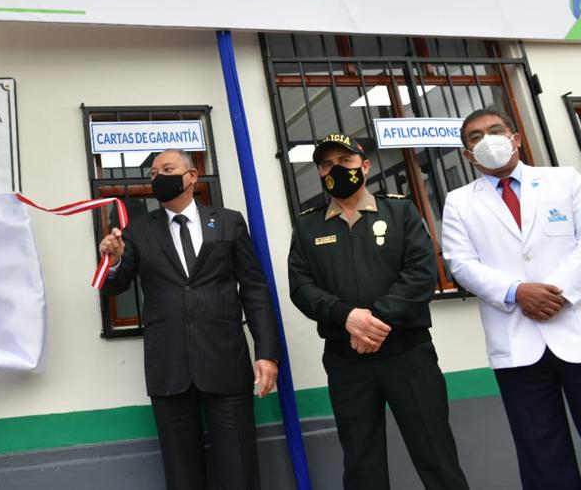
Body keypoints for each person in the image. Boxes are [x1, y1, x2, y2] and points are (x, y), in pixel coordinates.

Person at [288, 132, 469, 490]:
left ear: (364, 166)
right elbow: (302, 287)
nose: (336, 169)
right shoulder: (308, 226)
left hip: (408, 354)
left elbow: (421, 273)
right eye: (326, 164)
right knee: (361, 463)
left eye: (345, 161)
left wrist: (377, 320)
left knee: (436, 456)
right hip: (346, 360)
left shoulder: (400, 211)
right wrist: (346, 317)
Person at [99, 148, 280, 490]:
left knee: (240, 470)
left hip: (226, 362)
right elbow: (116, 285)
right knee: (182, 476)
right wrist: (114, 260)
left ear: (192, 175)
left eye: (167, 168)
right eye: (152, 174)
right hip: (169, 366)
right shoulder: (138, 230)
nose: (158, 177)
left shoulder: (228, 221)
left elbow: (254, 289)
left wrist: (266, 353)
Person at [442, 108, 581, 490]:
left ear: (516, 138)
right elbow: (461, 263)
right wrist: (517, 292)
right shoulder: (458, 203)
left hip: (575, 330)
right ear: (468, 155)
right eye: (475, 138)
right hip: (516, 342)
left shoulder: (563, 180)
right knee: (541, 451)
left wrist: (557, 294)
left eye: (495, 130)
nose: (487, 140)